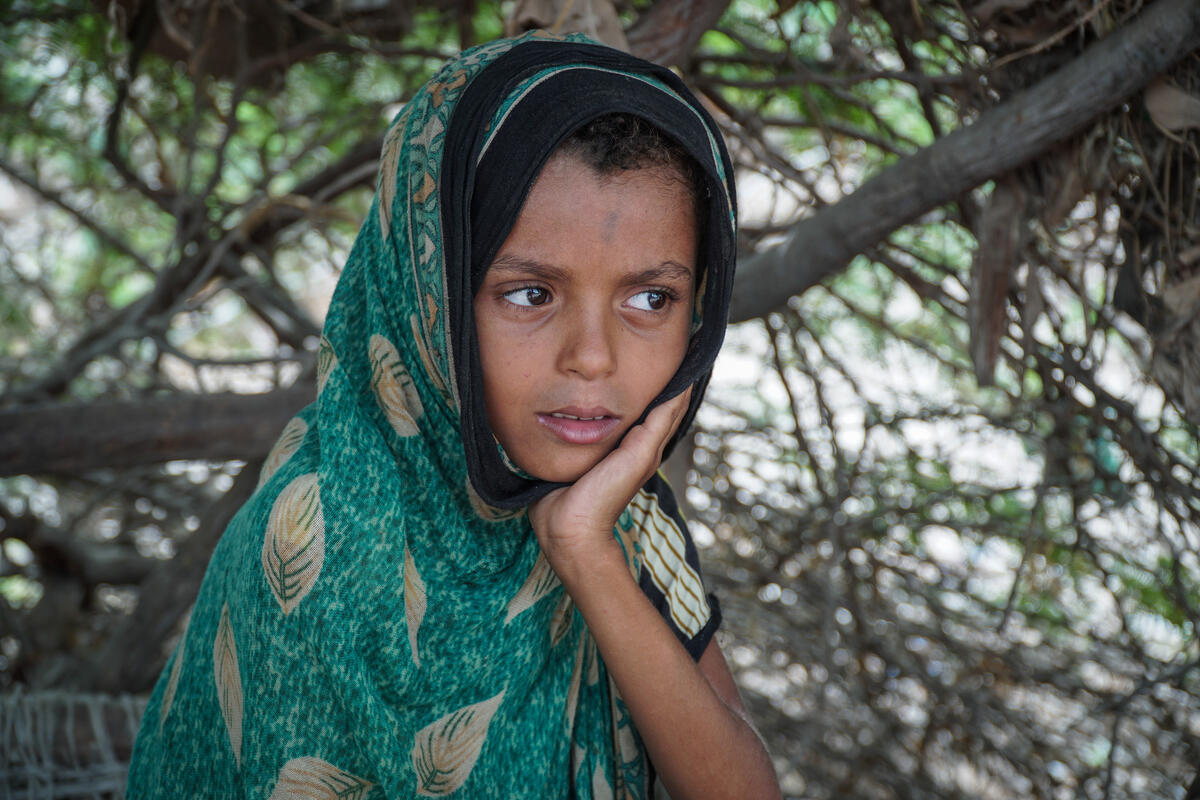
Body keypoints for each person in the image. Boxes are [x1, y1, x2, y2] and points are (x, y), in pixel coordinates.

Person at [127, 31, 782, 799]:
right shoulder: (313, 543)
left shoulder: (626, 519)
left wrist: (586, 555)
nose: (594, 359)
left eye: (650, 299)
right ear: (429, 301)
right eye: (530, 294)